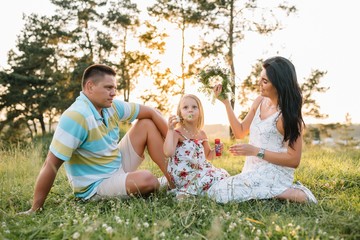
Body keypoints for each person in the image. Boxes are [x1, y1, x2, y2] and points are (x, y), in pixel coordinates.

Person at [20, 64, 172, 214]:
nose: (113, 93)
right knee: (148, 180)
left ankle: (175, 181)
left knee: (146, 123)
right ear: (90, 87)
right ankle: (165, 183)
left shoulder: (111, 106)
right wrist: (35, 208)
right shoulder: (76, 116)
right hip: (96, 185)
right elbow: (51, 164)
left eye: (114, 88)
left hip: (116, 165)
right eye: (108, 88)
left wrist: (179, 142)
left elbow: (152, 112)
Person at [207, 56, 318, 204]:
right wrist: (226, 103)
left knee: (220, 193)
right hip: (252, 169)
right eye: (261, 79)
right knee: (216, 192)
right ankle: (272, 192)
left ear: (279, 84)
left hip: (275, 172)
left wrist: (255, 151)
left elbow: (293, 160)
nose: (259, 83)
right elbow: (240, 132)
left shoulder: (287, 117)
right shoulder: (259, 101)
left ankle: (291, 192)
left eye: (265, 81)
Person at [163, 94, 229, 199]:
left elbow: (208, 155)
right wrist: (170, 129)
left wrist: (216, 151)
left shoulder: (201, 134)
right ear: (180, 113)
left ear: (200, 112)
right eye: (185, 107)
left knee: (222, 174)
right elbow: (168, 152)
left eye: (194, 107)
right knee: (209, 177)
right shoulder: (177, 132)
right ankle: (186, 192)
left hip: (200, 170)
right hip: (183, 173)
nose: (190, 110)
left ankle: (187, 193)